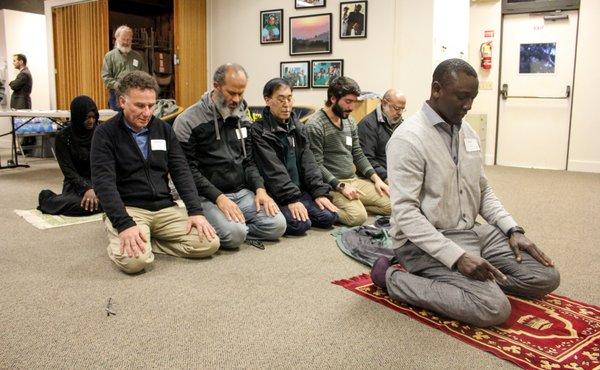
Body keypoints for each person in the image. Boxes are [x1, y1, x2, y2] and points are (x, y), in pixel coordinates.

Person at [371, 59, 560, 327]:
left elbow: (481, 190)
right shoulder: (408, 139)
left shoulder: (468, 132)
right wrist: (456, 257)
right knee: (493, 308)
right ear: (437, 89)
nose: (469, 105)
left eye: (473, 97)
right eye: (462, 97)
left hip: (473, 232)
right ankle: (391, 277)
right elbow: (405, 214)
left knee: (546, 277)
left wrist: (512, 229)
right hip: (424, 243)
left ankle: (466, 284)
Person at [91, 71, 219, 274]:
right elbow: (103, 182)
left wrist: (195, 212)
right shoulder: (105, 134)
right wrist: (124, 224)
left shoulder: (164, 129)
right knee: (135, 263)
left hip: (164, 208)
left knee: (209, 243)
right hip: (130, 209)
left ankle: (149, 240)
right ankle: (127, 235)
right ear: (122, 101)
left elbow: (181, 171)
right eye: (140, 106)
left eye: (151, 105)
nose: (147, 112)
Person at [173, 63, 286, 249]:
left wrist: (260, 189)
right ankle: (228, 227)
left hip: (240, 192)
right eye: (232, 93)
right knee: (234, 236)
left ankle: (234, 227)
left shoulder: (242, 116)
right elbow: (187, 171)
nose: (237, 99)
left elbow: (248, 161)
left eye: (241, 93)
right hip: (207, 195)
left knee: (278, 226)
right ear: (216, 86)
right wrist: (219, 198)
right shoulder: (187, 121)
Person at [252, 78, 338, 235]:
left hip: (300, 190)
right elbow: (273, 170)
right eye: (281, 99)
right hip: (278, 193)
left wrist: (318, 192)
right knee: (301, 225)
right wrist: (291, 200)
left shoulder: (298, 126)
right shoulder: (258, 131)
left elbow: (309, 162)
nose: (286, 104)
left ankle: (301, 209)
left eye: (289, 98)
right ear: (267, 100)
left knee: (329, 217)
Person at [306, 76, 390, 227]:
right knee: (357, 217)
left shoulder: (349, 120)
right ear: (333, 99)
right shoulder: (315, 125)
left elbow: (357, 153)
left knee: (392, 204)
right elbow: (317, 166)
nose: (352, 107)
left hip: (353, 180)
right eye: (348, 101)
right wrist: (341, 186)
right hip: (332, 185)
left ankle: (356, 205)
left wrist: (377, 179)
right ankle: (318, 209)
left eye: (354, 102)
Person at [38, 96, 103, 216]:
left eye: (93, 117)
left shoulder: (100, 133)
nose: (91, 121)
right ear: (78, 117)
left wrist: (98, 187)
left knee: (119, 198)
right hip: (76, 184)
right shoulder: (63, 137)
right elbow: (68, 170)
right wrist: (87, 189)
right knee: (84, 205)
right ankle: (48, 200)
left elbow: (106, 164)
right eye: (87, 117)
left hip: (99, 181)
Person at [357, 89, 406, 183]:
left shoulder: (401, 125)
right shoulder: (368, 124)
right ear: (384, 103)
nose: (400, 113)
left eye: (402, 109)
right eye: (396, 108)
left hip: (396, 176)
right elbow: (366, 159)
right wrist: (386, 177)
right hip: (375, 178)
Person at [101, 25, 148, 111]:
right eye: (123, 39)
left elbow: (144, 75)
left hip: (134, 95)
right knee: (117, 120)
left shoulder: (138, 57)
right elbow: (106, 77)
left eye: (128, 39)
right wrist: (118, 85)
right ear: (117, 38)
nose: (126, 42)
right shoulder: (110, 56)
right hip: (116, 95)